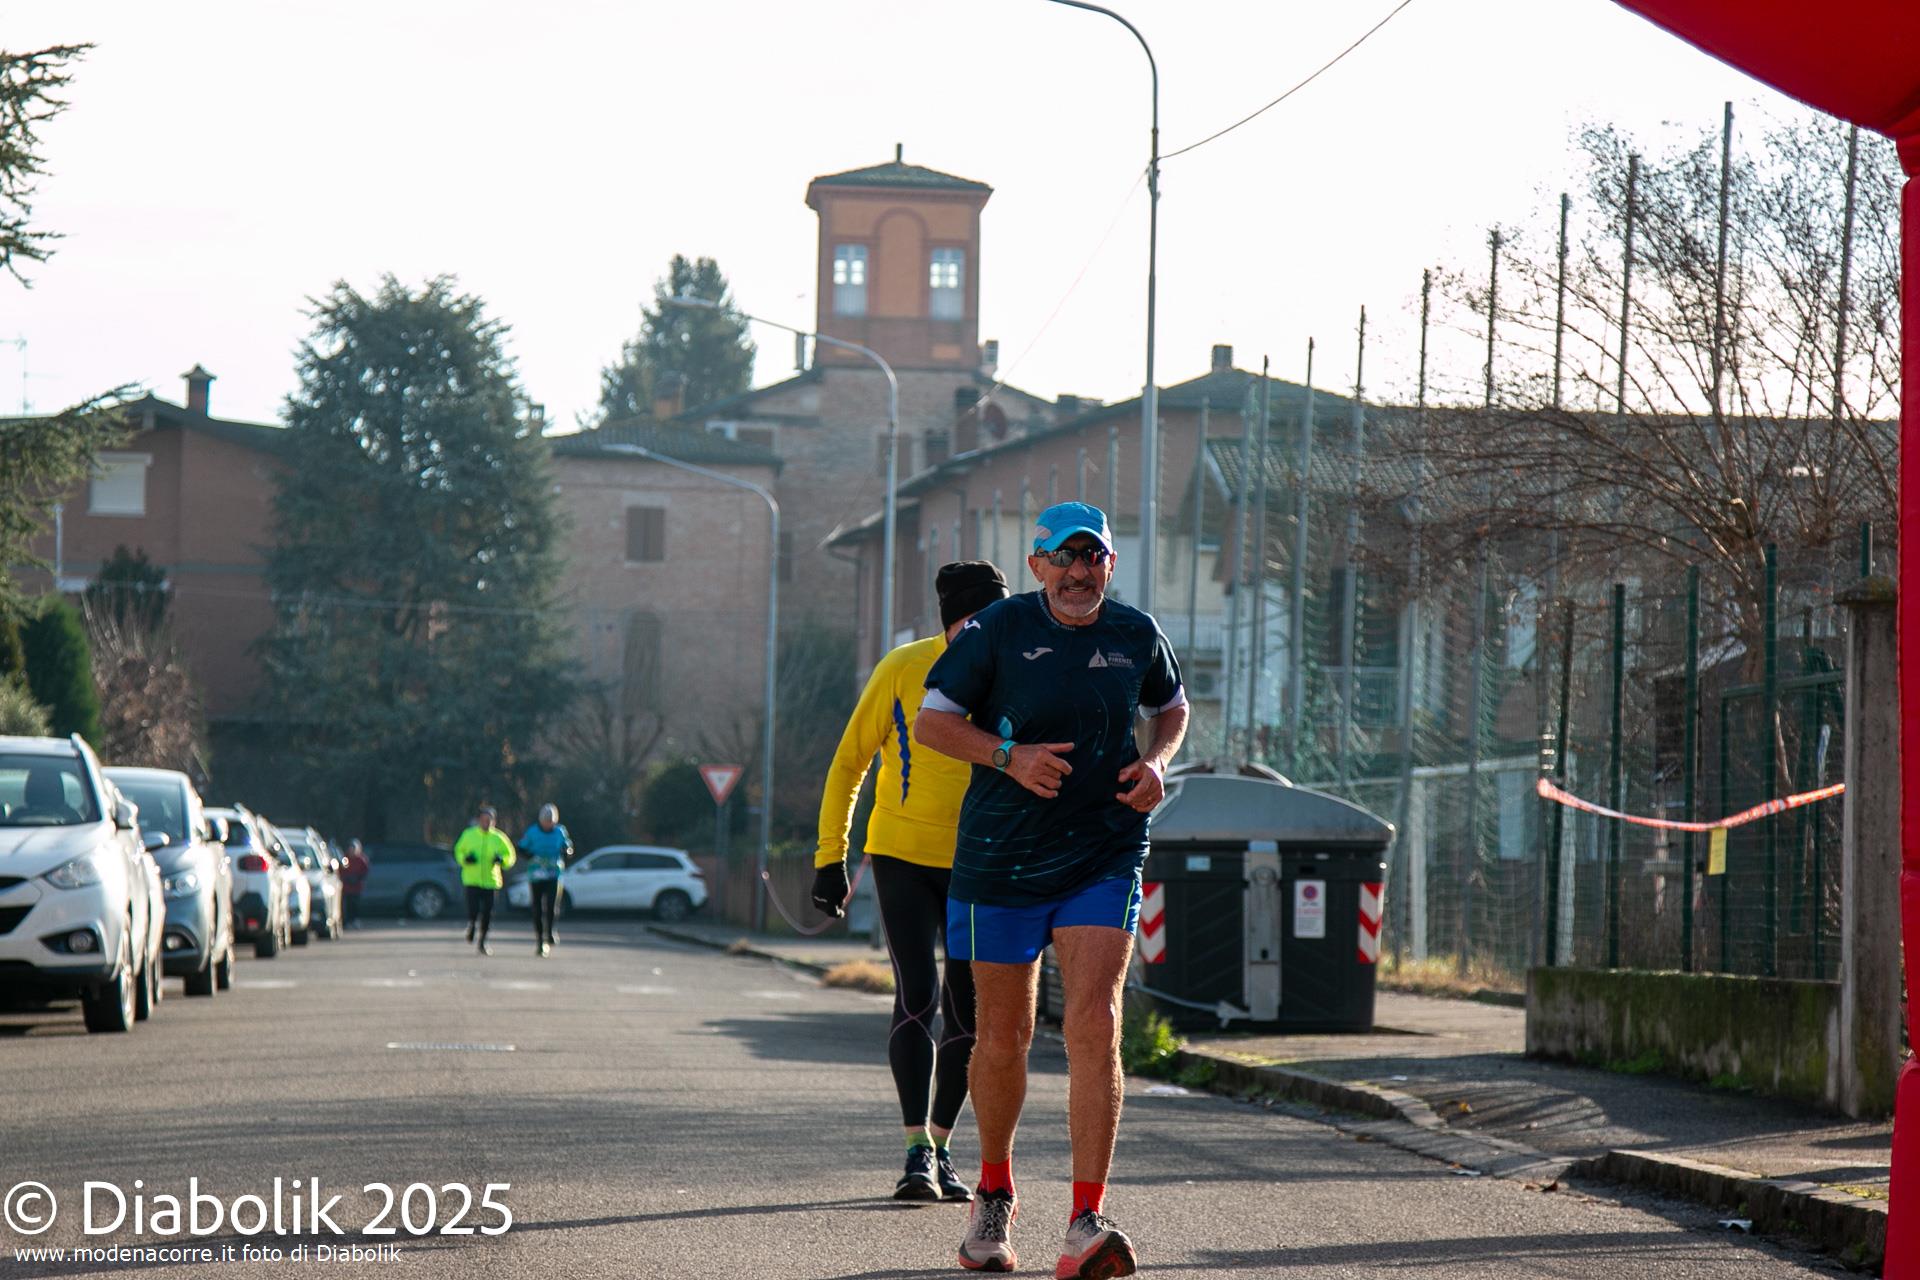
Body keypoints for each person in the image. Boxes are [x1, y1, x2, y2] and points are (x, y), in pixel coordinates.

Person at [916, 502, 1186, 1279]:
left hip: (1104, 849)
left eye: (1091, 557)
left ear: (1109, 564)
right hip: (1000, 858)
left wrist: (1158, 760)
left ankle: (1086, 1220)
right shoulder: (995, 630)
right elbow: (933, 723)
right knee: (1004, 1035)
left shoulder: (1136, 633)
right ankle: (993, 1195)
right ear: (1036, 565)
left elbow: (1171, 707)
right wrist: (1009, 757)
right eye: (1062, 558)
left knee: (1096, 1021)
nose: (1077, 572)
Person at [813, 560, 1011, 1205]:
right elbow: (850, 761)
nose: (984, 633)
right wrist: (830, 857)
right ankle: (914, 1150)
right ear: (950, 622)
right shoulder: (903, 667)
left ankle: (943, 1147)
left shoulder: (1016, 670)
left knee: (969, 1011)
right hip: (901, 856)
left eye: (995, 620)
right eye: (973, 621)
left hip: (979, 863)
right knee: (918, 994)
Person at [454, 805, 516, 956]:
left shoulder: (499, 838)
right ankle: (472, 925)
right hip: (472, 880)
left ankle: (483, 941)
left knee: (488, 912)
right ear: (478, 820)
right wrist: (465, 859)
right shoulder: (469, 835)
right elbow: (458, 851)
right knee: (473, 909)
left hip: (491, 881)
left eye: (489, 820)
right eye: (483, 820)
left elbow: (510, 856)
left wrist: (502, 860)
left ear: (494, 821)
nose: (486, 823)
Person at [518, 803, 572, 957]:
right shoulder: (533, 832)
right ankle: (540, 941)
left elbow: (568, 846)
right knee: (537, 908)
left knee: (551, 905)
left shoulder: (560, 831)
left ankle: (550, 931)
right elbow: (521, 847)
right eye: (546, 821)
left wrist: (567, 852)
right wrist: (529, 855)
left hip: (554, 874)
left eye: (551, 822)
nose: (549, 824)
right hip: (536, 875)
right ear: (541, 820)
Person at [340, 839, 370, 928]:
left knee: (355, 904)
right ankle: (347, 921)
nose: (351, 851)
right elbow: (341, 870)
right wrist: (346, 878)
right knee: (346, 905)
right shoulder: (345, 859)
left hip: (356, 887)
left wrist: (357, 878)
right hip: (346, 887)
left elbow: (365, 871)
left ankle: (355, 920)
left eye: (353, 848)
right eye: (350, 848)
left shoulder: (361, 859)